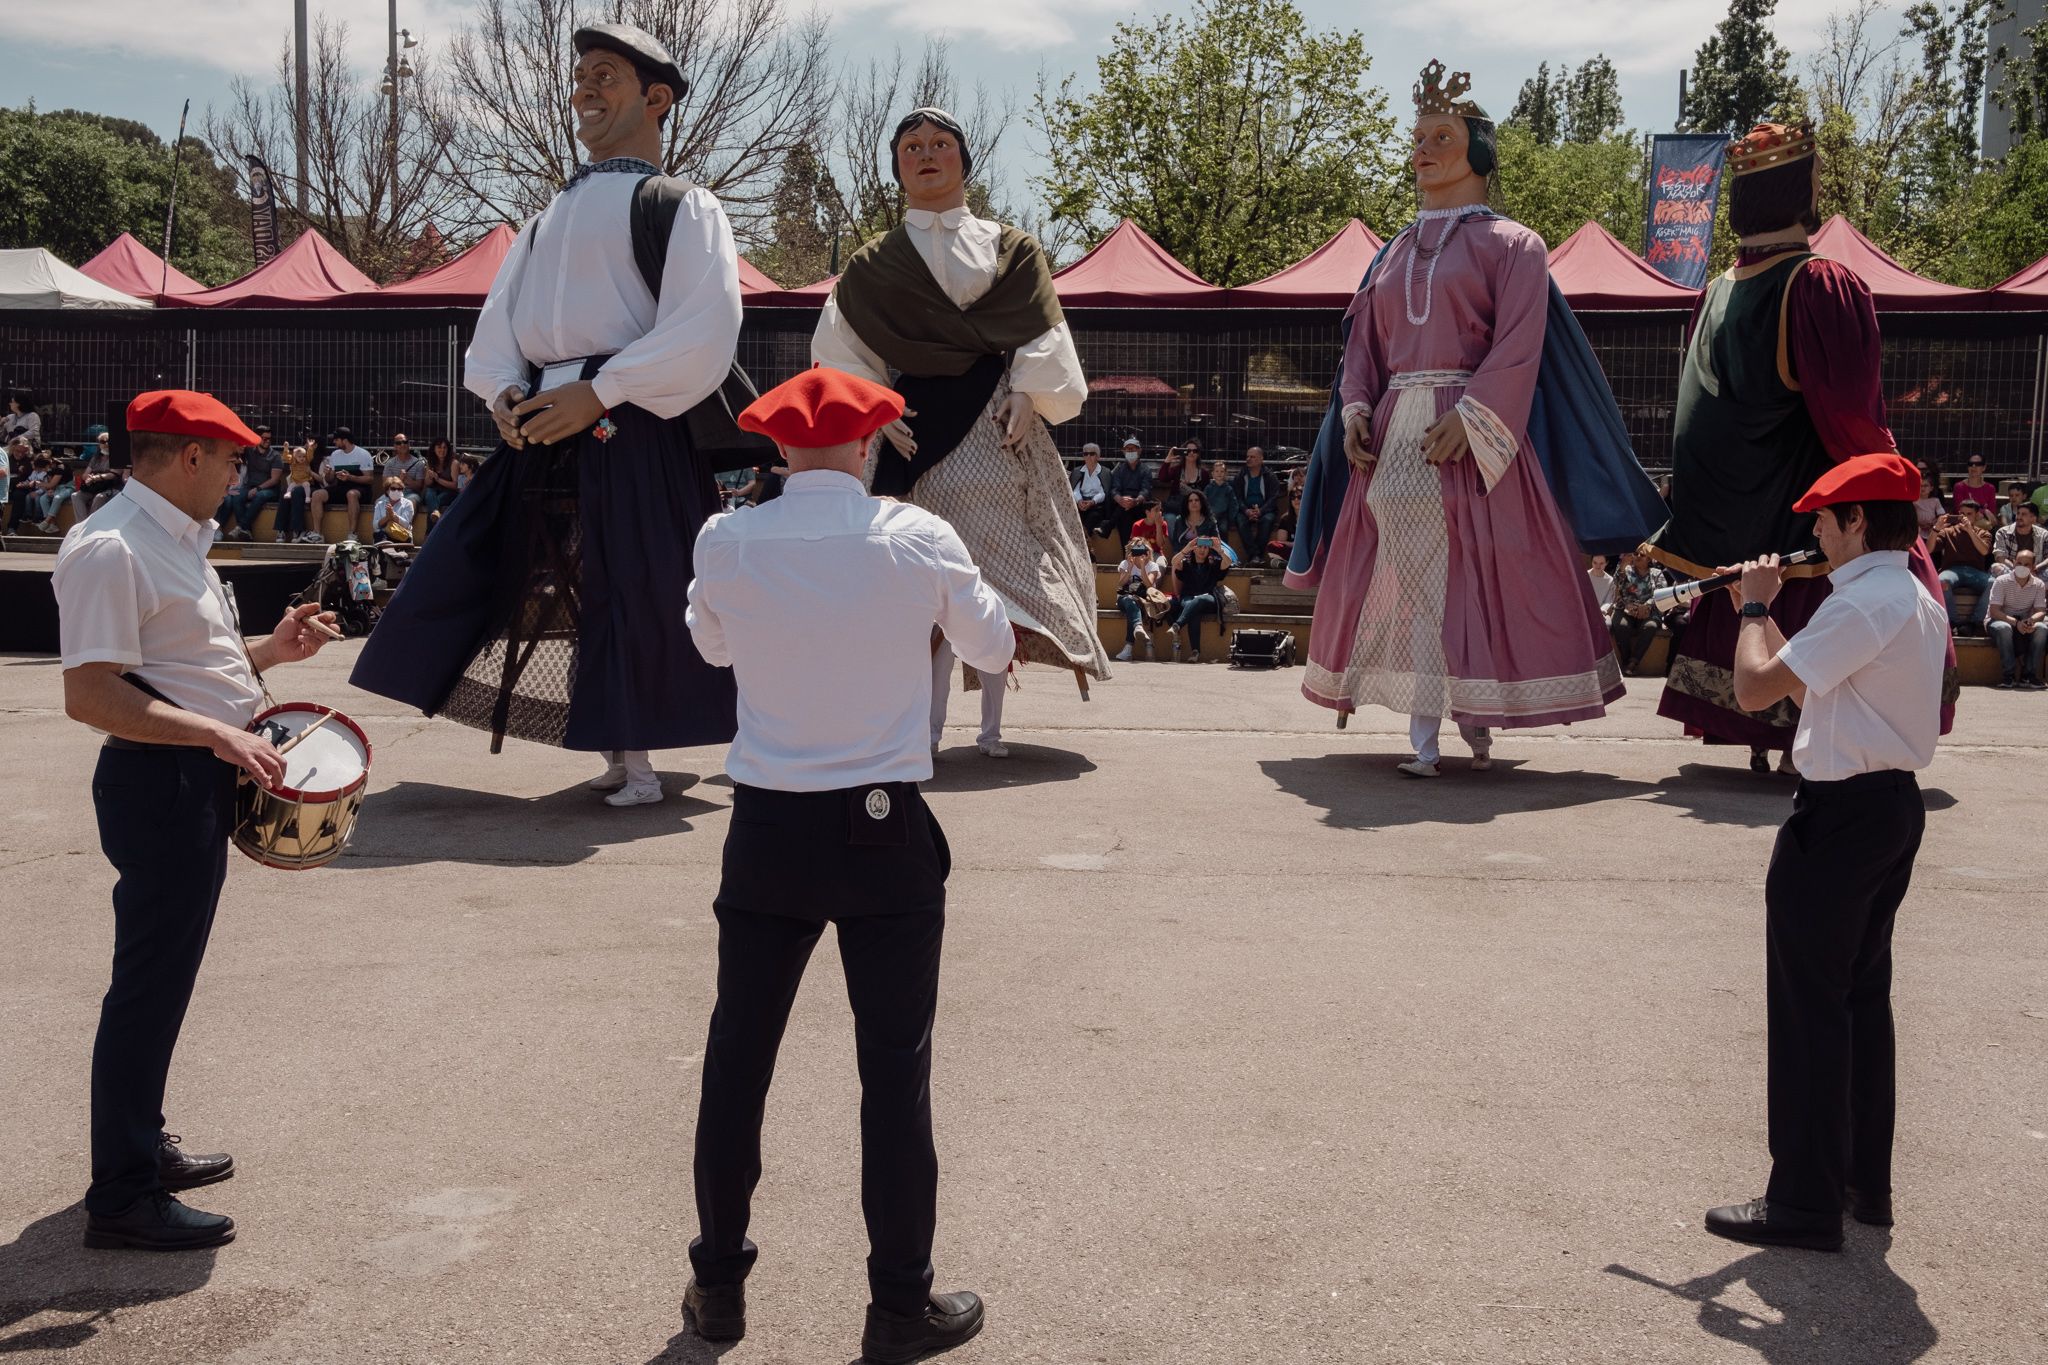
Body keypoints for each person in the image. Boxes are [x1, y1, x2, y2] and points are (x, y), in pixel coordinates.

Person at [680, 366, 1004, 1363]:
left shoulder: (727, 538)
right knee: (892, 1074)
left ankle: (718, 1286)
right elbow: (989, 648)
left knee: (739, 1060)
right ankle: (898, 1305)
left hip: (771, 824)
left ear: (779, 451)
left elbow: (711, 647)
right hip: (882, 825)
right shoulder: (916, 536)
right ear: (868, 447)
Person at [351, 21, 748, 807]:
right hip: (543, 417)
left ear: (655, 97)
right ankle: (611, 743)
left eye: (605, 75)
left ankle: (638, 756)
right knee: (489, 562)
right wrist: (502, 395)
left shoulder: (680, 204)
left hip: (629, 418)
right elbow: (499, 329)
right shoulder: (543, 220)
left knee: (635, 582)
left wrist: (599, 392)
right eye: (581, 78)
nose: (584, 91)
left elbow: (705, 325)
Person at [1287, 59, 1659, 779]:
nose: (1421, 149)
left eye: (1441, 135)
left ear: (1478, 149)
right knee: (1421, 585)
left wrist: (1480, 415)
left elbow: (1521, 343)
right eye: (1417, 136)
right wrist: (1356, 413)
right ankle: (1435, 729)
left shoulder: (1515, 245)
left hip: (1477, 443)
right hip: (1398, 443)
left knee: (1478, 583)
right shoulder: (1390, 253)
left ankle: (1473, 715)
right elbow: (1361, 346)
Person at [53, 389, 340, 1251]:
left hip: (190, 774)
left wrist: (269, 653)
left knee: (162, 983)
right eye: (231, 460)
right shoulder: (112, 547)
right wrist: (220, 731)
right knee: (146, 989)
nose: (237, 472)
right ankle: (123, 1194)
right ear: (188, 458)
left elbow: (177, 668)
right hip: (161, 781)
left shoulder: (172, 541)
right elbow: (91, 693)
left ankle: (140, 1146)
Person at [1650, 120, 1955, 775]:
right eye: (1813, 176)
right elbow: (1854, 413)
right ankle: (1795, 743)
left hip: (1727, 509)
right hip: (1805, 503)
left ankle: (1764, 736)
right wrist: (1891, 482)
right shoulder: (1818, 283)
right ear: (1796, 189)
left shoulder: (1718, 290)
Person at [1702, 452, 1946, 1252]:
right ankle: (1859, 1184)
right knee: (1857, 1002)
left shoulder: (1860, 602)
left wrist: (1748, 614)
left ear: (1859, 523)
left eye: (1825, 519)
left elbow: (1750, 691)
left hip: (1841, 819)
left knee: (1810, 1009)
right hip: (1889, 810)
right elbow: (1813, 687)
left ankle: (1804, 1200)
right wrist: (1762, 610)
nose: (1814, 530)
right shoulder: (1905, 595)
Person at [813, 103, 1108, 761]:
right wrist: (877, 410)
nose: (925, 153)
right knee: (913, 594)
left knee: (995, 586)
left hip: (994, 432)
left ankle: (992, 730)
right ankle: (921, 727)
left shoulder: (1012, 248)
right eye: (911, 145)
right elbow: (840, 351)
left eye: (939, 142)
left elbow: (1042, 331)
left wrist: (1032, 392)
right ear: (897, 166)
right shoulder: (869, 265)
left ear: (962, 160)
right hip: (908, 438)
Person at [1986, 550, 2048, 689]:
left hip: (2024, 622)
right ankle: (2009, 675)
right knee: (2004, 628)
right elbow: (1994, 611)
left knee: (2042, 629)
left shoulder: (2038, 584)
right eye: (2019, 563)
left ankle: (2029, 675)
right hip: (1999, 620)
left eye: (2027, 564)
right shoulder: (2001, 581)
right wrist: (2016, 623)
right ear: (2013, 563)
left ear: (2033, 567)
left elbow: (2041, 611)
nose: (2022, 566)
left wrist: (2030, 621)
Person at [1930, 504, 1993, 634]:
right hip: (1952, 570)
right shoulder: (1948, 531)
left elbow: (1984, 551)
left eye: (1969, 514)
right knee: (1942, 581)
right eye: (1962, 514)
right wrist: (1936, 528)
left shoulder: (1983, 533)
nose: (1965, 517)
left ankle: (1977, 622)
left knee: (1993, 583)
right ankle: (1953, 621)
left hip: (1975, 572)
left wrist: (1970, 530)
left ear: (1977, 515)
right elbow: (1928, 549)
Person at [1167, 536, 1232, 661]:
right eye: (1200, 547)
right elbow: (1174, 562)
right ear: (1194, 549)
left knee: (1199, 600)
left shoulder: (1214, 563)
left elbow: (1227, 562)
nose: (1202, 550)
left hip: (1209, 599)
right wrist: (1186, 549)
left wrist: (1219, 550)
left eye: (1206, 547)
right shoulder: (1186, 563)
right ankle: (1195, 652)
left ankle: (1177, 624)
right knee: (1193, 609)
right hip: (1189, 598)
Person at [1608, 548, 1670, 677]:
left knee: (1650, 627)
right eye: (1635, 554)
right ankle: (1626, 661)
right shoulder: (1626, 570)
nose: (1638, 557)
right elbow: (1616, 586)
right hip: (1626, 608)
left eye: (1642, 555)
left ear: (1649, 559)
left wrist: (1647, 605)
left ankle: (1633, 663)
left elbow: (1661, 594)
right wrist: (1621, 568)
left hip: (1649, 610)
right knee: (1621, 625)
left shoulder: (1657, 573)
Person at [309, 427, 375, 540]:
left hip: (360, 489)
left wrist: (350, 477)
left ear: (344, 440)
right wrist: (329, 474)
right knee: (317, 494)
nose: (334, 442)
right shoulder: (335, 454)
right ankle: (317, 533)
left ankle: (352, 533)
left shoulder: (363, 454)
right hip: (340, 488)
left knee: (351, 494)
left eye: (336, 440)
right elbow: (330, 481)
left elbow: (369, 479)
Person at [216, 431, 281, 541]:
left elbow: (274, 479)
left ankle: (241, 527)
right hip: (244, 488)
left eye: (270, 438)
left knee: (259, 496)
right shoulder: (249, 453)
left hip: (268, 489)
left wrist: (258, 488)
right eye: (264, 438)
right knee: (235, 498)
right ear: (258, 439)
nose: (268, 441)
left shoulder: (275, 455)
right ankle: (245, 532)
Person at [1112, 539, 1162, 661]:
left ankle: (1128, 648)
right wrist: (1129, 568)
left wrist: (1143, 566)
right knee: (1130, 601)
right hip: (1125, 598)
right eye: (1135, 550)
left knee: (1133, 607)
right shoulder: (1125, 563)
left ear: (1147, 551)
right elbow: (1120, 584)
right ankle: (1138, 627)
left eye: (1141, 550)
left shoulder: (1152, 565)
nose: (1138, 554)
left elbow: (1149, 585)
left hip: (1143, 600)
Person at [1232, 446, 1282, 558]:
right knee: (1240, 520)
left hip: (1265, 510)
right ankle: (1255, 555)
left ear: (1261, 459)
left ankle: (1255, 556)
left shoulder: (1270, 476)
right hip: (1245, 510)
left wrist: (1261, 511)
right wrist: (1246, 511)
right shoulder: (1240, 476)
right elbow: (1236, 497)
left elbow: (1274, 498)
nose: (1248, 459)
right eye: (1247, 456)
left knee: (1267, 520)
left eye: (1252, 457)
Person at [72, 432, 125, 524]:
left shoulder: (118, 457)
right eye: (103, 441)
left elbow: (113, 474)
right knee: (76, 496)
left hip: (110, 487)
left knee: (99, 497)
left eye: (108, 441)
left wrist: (95, 478)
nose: (106, 444)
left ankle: (91, 524)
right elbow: (85, 474)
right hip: (94, 486)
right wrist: (88, 478)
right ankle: (81, 524)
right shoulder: (96, 457)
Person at [1107, 436, 1151, 539]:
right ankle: (1127, 553)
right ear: (1123, 451)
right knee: (1123, 514)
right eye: (1128, 449)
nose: (1130, 451)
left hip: (1139, 506)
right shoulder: (1119, 470)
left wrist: (1135, 501)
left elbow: (1146, 490)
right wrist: (1120, 500)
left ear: (1139, 450)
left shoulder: (1145, 470)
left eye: (1133, 448)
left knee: (1123, 511)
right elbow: (1114, 489)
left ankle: (1108, 526)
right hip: (1123, 506)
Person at [1071, 442, 1115, 538]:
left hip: (1097, 505)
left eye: (1092, 454)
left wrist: (1092, 502)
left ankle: (1083, 539)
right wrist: (1079, 501)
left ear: (1098, 457)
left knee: (1093, 517)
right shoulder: (1077, 471)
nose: (1088, 456)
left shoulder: (1105, 472)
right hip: (1080, 503)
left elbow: (1103, 492)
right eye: (1085, 454)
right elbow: (1075, 490)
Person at [278, 443, 319, 543]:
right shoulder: (297, 459)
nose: (307, 445)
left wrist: (311, 472)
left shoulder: (318, 459)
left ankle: (298, 529)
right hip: (297, 482)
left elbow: (323, 481)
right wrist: (286, 449)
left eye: (311, 443)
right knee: (285, 490)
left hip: (312, 486)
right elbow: (287, 458)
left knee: (297, 491)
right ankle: (281, 529)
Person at [1991, 503, 2047, 572]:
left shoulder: (2044, 534)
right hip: (2011, 570)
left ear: (2033, 519)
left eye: (2023, 514)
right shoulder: (2002, 532)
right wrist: (2017, 569)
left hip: (2036, 571)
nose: (2019, 517)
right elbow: (2000, 556)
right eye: (2018, 513)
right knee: (1996, 568)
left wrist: (2036, 568)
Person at [382, 433, 429, 513]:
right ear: (395, 446)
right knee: (379, 502)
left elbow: (419, 487)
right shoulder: (390, 463)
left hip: (411, 493)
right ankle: (383, 525)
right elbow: (385, 485)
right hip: (393, 492)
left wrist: (407, 479)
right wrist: (399, 480)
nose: (402, 445)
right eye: (398, 443)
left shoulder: (418, 463)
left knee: (410, 502)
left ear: (409, 444)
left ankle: (405, 525)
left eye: (405, 442)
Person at [420, 436, 461, 522]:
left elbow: (455, 485)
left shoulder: (454, 463)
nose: (442, 450)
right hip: (434, 491)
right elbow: (427, 483)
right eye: (439, 447)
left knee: (435, 500)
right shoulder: (430, 462)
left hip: (449, 492)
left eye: (444, 447)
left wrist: (438, 479)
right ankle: (435, 513)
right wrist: (430, 478)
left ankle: (429, 532)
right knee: (429, 493)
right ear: (434, 449)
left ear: (448, 449)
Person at [371, 476, 416, 544]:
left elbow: (406, 524)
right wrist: (387, 518)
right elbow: (375, 525)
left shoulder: (408, 504)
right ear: (387, 490)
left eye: (399, 489)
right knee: (379, 535)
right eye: (393, 488)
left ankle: (389, 551)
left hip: (401, 536)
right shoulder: (380, 504)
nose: (396, 491)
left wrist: (393, 515)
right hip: (384, 536)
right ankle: (389, 550)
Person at [1265, 484, 1299, 567]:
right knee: (1272, 545)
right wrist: (1294, 544)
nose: (1296, 500)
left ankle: (1282, 563)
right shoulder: (1285, 518)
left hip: (1305, 551)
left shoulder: (1311, 518)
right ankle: (1287, 563)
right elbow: (1281, 541)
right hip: (1292, 550)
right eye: (1293, 498)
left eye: (1299, 497)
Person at [1911, 468, 1943, 536]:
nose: (1922, 488)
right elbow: (1910, 516)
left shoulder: (1935, 501)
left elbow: (1941, 515)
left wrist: (1934, 523)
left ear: (1931, 488)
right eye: (1920, 486)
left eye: (1925, 486)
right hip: (1917, 530)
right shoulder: (1914, 501)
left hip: (1932, 529)